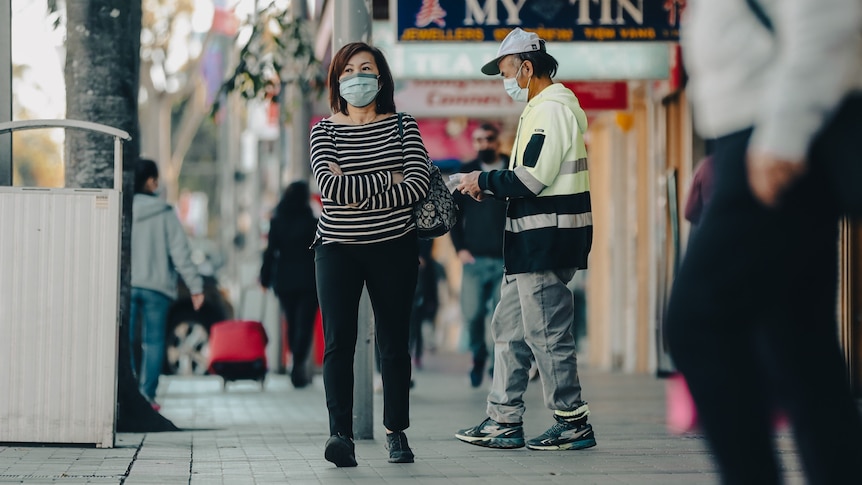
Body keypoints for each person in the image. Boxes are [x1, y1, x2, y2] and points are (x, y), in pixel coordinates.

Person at [665, 1, 862, 483]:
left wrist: (783, 137)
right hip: (758, 134)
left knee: (698, 320)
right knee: (797, 341)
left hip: (778, 135)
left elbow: (825, 19)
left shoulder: (781, 133)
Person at [454, 28, 596, 451]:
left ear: (527, 67)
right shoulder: (537, 110)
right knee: (510, 330)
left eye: (506, 71)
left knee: (547, 334)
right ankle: (503, 419)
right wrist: (487, 185)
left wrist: (482, 179)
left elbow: (531, 179)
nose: (505, 81)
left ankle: (572, 422)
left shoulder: (551, 110)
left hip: (545, 242)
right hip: (527, 244)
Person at [310, 41, 430, 467]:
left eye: (367, 68)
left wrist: (360, 186)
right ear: (337, 79)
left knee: (394, 343)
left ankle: (397, 432)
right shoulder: (323, 130)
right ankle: (339, 435)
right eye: (349, 69)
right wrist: (388, 176)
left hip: (395, 247)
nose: (358, 75)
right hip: (337, 249)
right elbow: (331, 188)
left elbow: (416, 185)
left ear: (380, 78)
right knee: (338, 344)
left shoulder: (404, 126)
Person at [130, 158, 204, 411]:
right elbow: (181, 253)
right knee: (154, 342)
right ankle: (146, 397)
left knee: (125, 339)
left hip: (127, 287)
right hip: (157, 287)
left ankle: (127, 393)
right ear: (150, 181)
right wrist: (195, 286)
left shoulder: (122, 209)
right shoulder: (164, 212)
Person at [450, 122, 508, 388]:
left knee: (502, 318)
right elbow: (453, 216)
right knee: (472, 314)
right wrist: (460, 249)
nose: (484, 144)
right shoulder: (467, 174)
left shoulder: (512, 168)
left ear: (498, 141)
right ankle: (478, 356)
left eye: (489, 139)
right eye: (479, 140)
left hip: (506, 260)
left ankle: (499, 366)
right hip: (473, 260)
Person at [259, 180, 318, 389]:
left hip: (285, 281)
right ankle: (298, 363)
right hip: (309, 280)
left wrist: (264, 277)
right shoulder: (311, 221)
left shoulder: (278, 220)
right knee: (305, 324)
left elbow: (270, 252)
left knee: (292, 323)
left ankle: (295, 358)